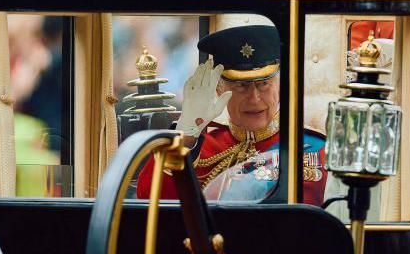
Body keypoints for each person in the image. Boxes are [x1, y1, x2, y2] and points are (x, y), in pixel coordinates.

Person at [137, 25, 327, 205]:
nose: (254, 98)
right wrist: (184, 135)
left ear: (279, 85)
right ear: (219, 89)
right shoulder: (201, 149)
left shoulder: (310, 149)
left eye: (263, 84)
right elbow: (149, 199)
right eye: (241, 86)